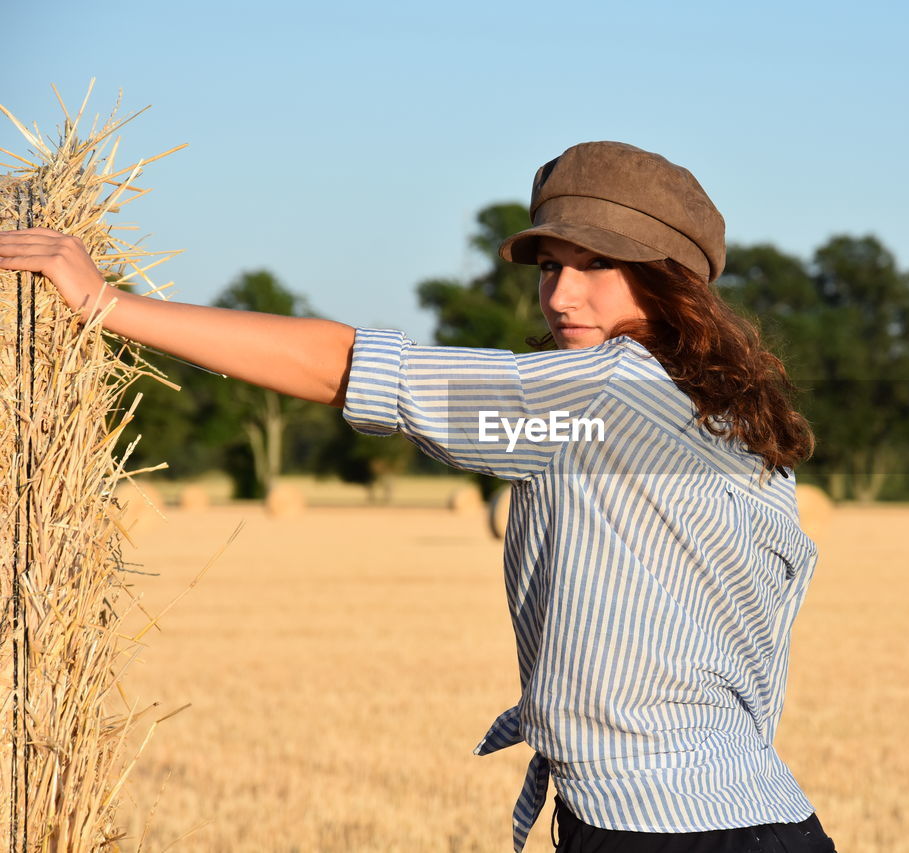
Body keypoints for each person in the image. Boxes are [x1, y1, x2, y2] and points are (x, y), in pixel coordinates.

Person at [0, 141, 837, 852]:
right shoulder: (729, 418)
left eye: (599, 265)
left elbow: (357, 372)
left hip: (665, 833)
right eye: (551, 266)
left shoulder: (602, 396)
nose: (561, 295)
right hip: (753, 814)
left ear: (670, 279)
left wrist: (109, 305)